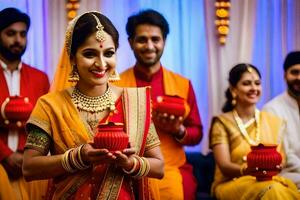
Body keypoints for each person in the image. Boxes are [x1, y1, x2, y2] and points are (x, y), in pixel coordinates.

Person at [22, 11, 164, 200]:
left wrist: (131, 163)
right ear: (72, 58)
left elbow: (159, 167)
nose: (101, 63)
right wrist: (77, 157)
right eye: (90, 54)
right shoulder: (50, 105)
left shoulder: (135, 102)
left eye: (109, 53)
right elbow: (29, 168)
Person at [114, 9, 202, 200]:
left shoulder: (183, 84)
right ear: (130, 43)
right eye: (142, 40)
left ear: (164, 41)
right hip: (127, 166)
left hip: (172, 167)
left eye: (155, 39)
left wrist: (178, 130)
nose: (150, 46)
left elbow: (197, 133)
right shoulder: (115, 85)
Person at [209, 63, 300, 199]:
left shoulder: (272, 121)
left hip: (268, 181)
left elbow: (280, 160)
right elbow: (224, 166)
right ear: (233, 89)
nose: (254, 88)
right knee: (272, 191)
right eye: (246, 83)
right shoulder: (222, 122)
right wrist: (246, 170)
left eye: (257, 83)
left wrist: (274, 167)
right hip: (231, 183)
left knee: (282, 189)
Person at [0, 7, 50, 200]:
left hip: (31, 163)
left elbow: (47, 124)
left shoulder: (40, 78)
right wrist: (5, 155)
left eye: (23, 34)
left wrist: (28, 155)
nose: (18, 40)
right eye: (10, 34)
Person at [263, 51, 300, 189]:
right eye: (294, 72)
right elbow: (283, 155)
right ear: (285, 75)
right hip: (286, 173)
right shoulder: (272, 109)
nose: (299, 77)